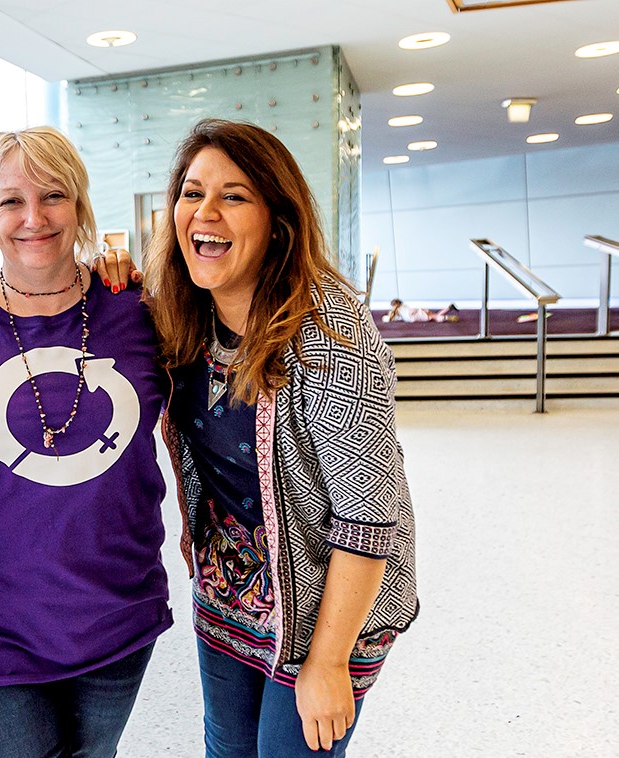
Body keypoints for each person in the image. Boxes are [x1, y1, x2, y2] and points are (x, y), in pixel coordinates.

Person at [141, 119, 418, 757]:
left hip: (329, 610)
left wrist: (327, 662)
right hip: (228, 596)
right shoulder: (183, 317)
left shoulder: (329, 333)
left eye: (234, 196)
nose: (204, 213)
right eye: (191, 192)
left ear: (277, 219)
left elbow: (369, 518)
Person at [0, 126, 171, 757]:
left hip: (117, 613)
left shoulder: (139, 315)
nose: (34, 218)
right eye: (11, 202)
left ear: (79, 204)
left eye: (53, 196)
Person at [382, 298, 459, 323]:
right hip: (416, 310)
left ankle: (445, 317)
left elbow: (388, 319)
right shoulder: (403, 306)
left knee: (433, 317)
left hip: (411, 317)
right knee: (433, 315)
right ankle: (448, 309)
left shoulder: (395, 312)